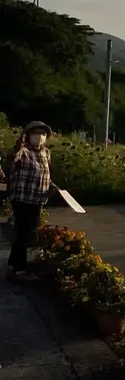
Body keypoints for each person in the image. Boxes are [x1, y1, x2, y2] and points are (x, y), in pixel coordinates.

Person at [5, 121, 54, 283]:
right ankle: (20, 271)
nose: (40, 136)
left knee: (28, 232)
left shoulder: (46, 152)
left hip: (38, 199)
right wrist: (18, 147)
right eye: (36, 133)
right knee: (24, 234)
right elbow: (12, 159)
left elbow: (46, 174)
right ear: (27, 135)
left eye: (43, 133)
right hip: (22, 199)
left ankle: (14, 265)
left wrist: (52, 187)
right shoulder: (23, 152)